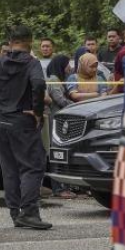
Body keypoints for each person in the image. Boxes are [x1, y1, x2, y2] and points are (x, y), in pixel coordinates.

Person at [0, 24, 50, 229]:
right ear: (30, 41)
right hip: (23, 120)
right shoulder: (32, 64)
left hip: (2, 122)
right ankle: (30, 212)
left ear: (11, 42)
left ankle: (15, 212)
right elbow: (39, 84)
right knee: (32, 166)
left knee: (9, 169)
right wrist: (37, 111)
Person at [45, 54, 76, 200]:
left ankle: (65, 187)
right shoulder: (53, 80)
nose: (69, 68)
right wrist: (78, 105)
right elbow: (59, 100)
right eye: (67, 65)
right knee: (57, 154)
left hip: (61, 122)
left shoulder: (59, 80)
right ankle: (58, 189)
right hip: (55, 122)